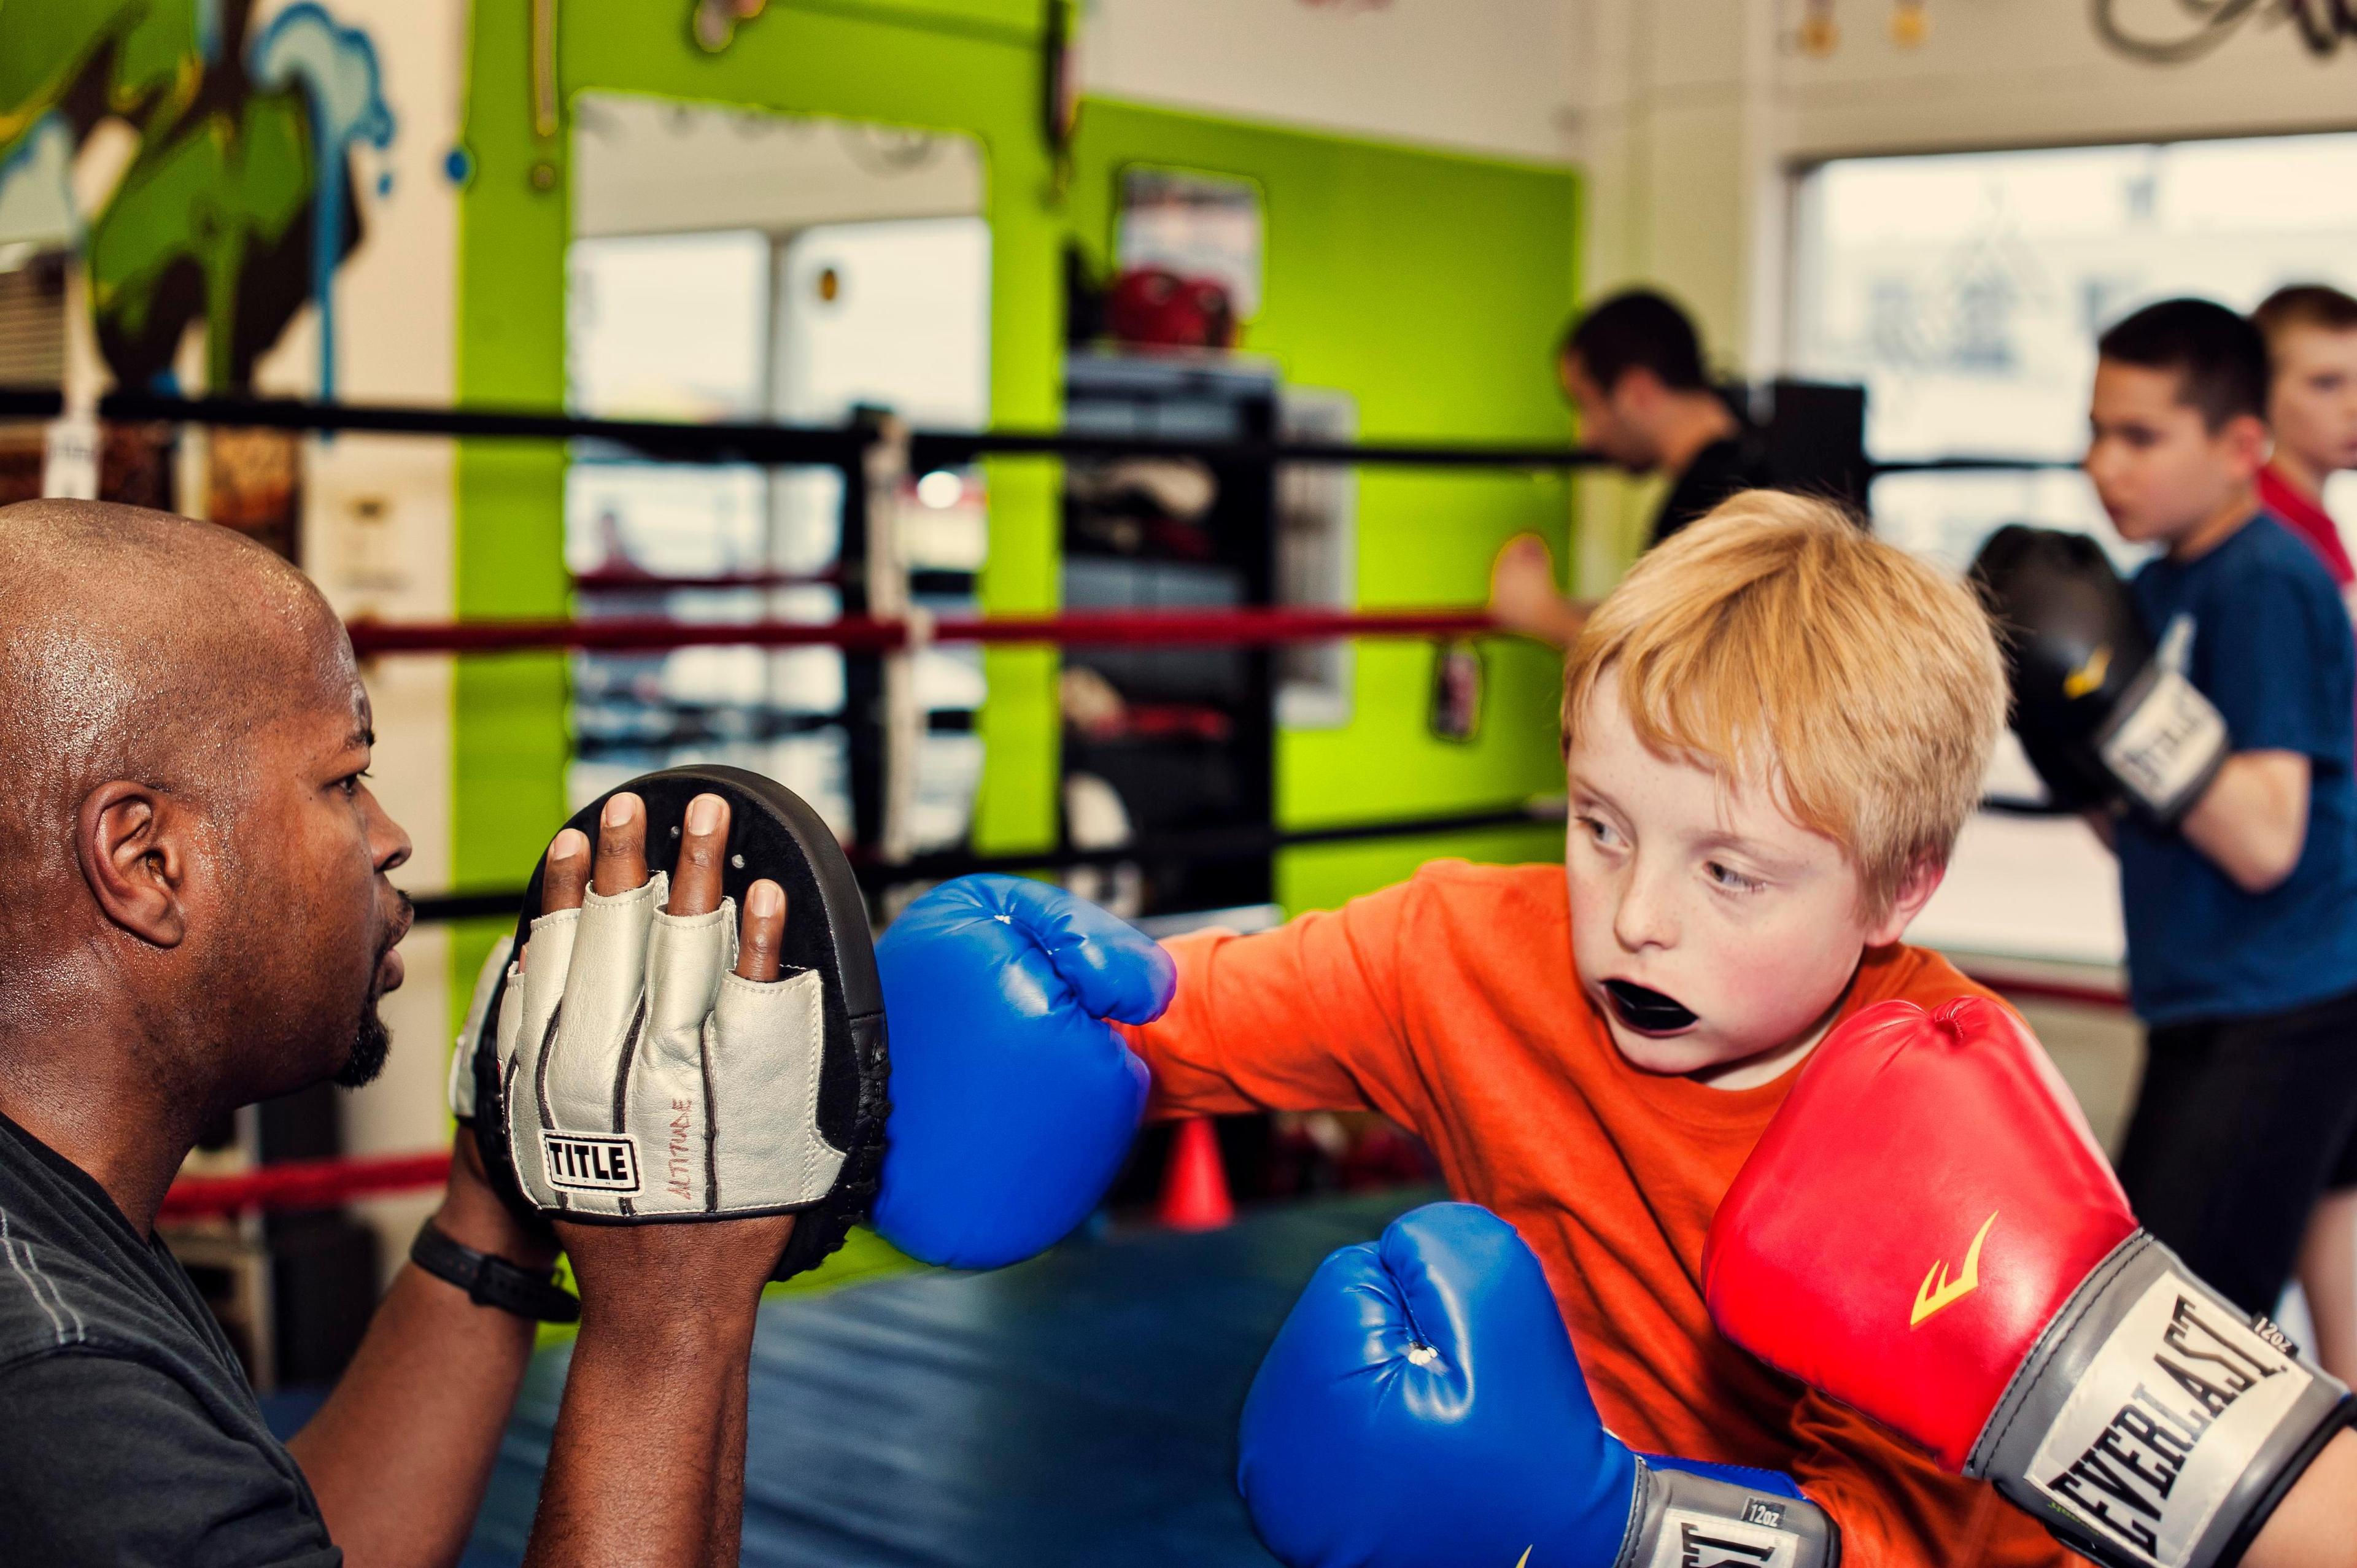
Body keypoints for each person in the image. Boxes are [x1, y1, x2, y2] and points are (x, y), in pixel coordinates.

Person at [1121, 492, 2066, 1565]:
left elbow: (1916, 1549)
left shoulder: (1944, 1147)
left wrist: (1619, 1525)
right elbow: (1156, 1019)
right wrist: (939, 1036)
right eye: (1601, 826)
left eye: (1727, 872)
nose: (1634, 919)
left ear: (1900, 890)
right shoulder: (1469, 953)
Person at [2067, 299, 2357, 1354]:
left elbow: (2264, 839)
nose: (2108, 466)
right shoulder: (2154, 587)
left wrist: (2125, 706)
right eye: (2097, 433)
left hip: (2283, 1005)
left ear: (2242, 446)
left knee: (2172, 1341)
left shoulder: (2266, 582)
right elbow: (2141, 829)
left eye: (2142, 438)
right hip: (2213, 991)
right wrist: (2071, 731)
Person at [2253, 282, 2357, 1385]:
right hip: (2288, 956)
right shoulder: (2269, 551)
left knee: (2339, 1193)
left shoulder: (2318, 537)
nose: (2354, 407)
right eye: (2325, 383)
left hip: (2331, 928)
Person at [1488, 288, 1767, 646]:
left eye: (1586, 405)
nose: (1587, 436)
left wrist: (1542, 614)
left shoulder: (1712, 501)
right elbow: (1681, 622)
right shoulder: (1751, 466)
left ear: (1638, 391)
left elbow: (1673, 664)